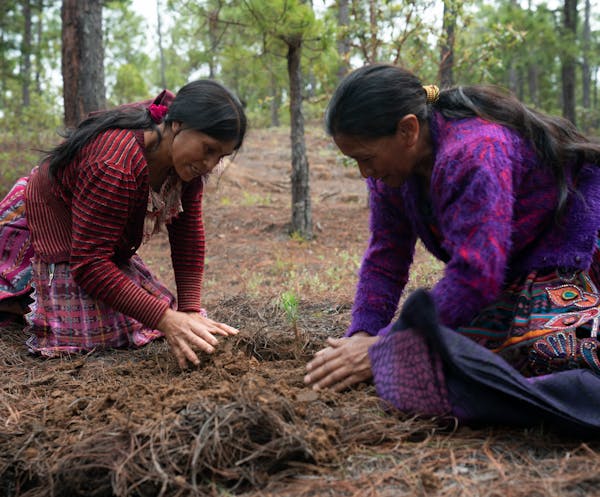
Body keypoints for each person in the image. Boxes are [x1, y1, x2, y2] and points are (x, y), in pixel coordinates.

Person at [304, 63, 600, 435]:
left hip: (569, 244)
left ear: (407, 130)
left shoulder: (475, 152)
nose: (365, 173)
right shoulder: (391, 174)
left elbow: (475, 277)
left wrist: (383, 345)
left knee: (553, 353)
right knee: (421, 365)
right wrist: (364, 334)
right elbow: (386, 258)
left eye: (366, 157)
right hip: (511, 267)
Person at [0, 79, 247, 369]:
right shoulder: (114, 163)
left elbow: (188, 235)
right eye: (208, 149)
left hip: (90, 238)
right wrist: (166, 319)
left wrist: (190, 309)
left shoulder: (184, 160)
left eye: (221, 156)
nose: (211, 164)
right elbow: (90, 263)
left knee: (155, 313)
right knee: (107, 327)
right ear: (177, 124)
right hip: (41, 224)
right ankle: (18, 298)